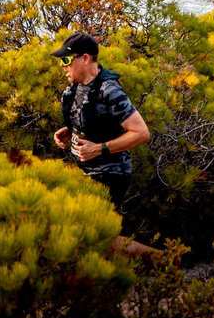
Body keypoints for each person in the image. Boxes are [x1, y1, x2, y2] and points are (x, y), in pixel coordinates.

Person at [51, 31, 150, 211]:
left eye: (66, 60)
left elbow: (141, 133)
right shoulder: (77, 86)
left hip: (109, 176)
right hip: (84, 172)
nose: (62, 65)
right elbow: (95, 119)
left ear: (86, 58)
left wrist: (98, 149)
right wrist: (70, 129)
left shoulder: (109, 90)